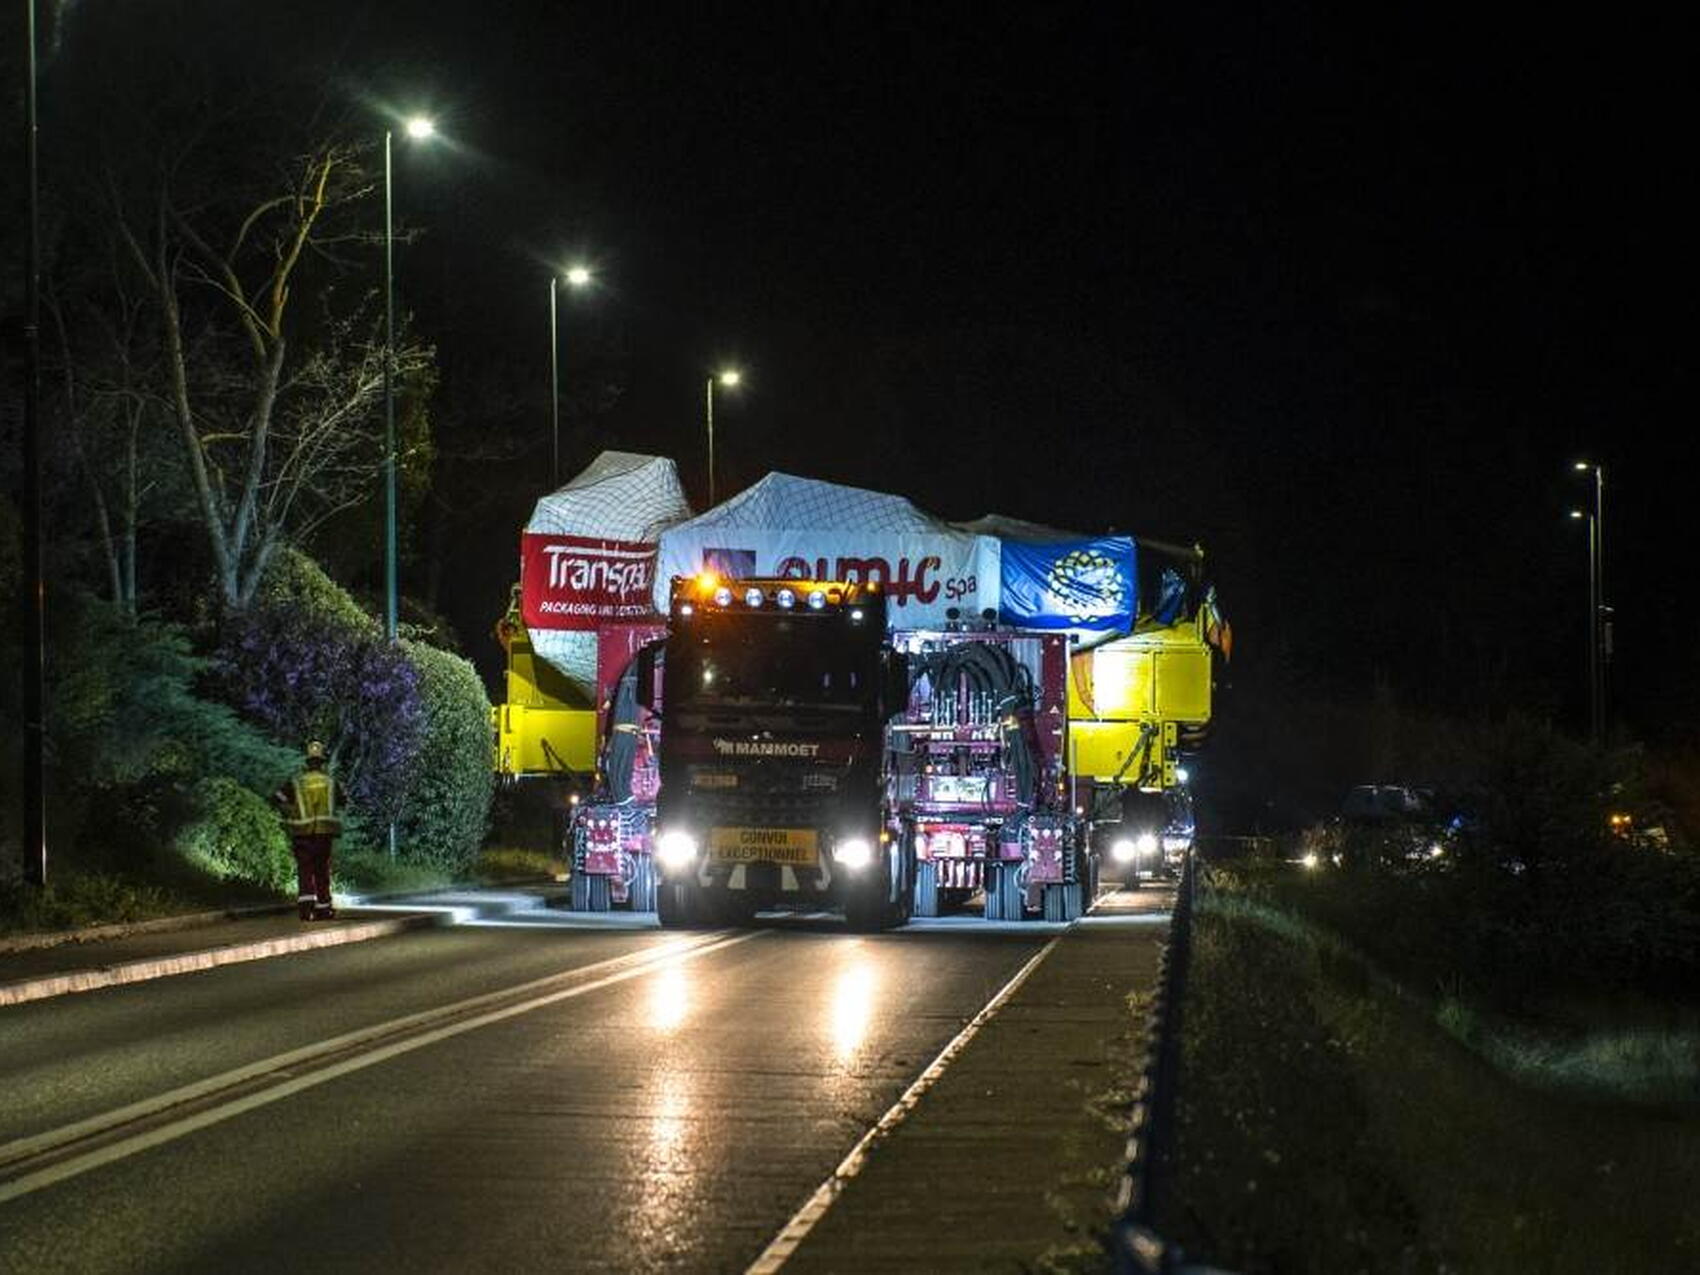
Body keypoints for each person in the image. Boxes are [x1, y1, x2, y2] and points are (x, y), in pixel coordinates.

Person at [276, 740, 343, 920]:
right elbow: (343, 800)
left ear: (307, 762)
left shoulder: (297, 782)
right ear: (321, 762)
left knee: (305, 870)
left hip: (302, 832)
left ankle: (306, 911)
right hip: (323, 833)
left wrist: (290, 810)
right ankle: (324, 908)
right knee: (322, 870)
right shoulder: (330, 782)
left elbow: (278, 797)